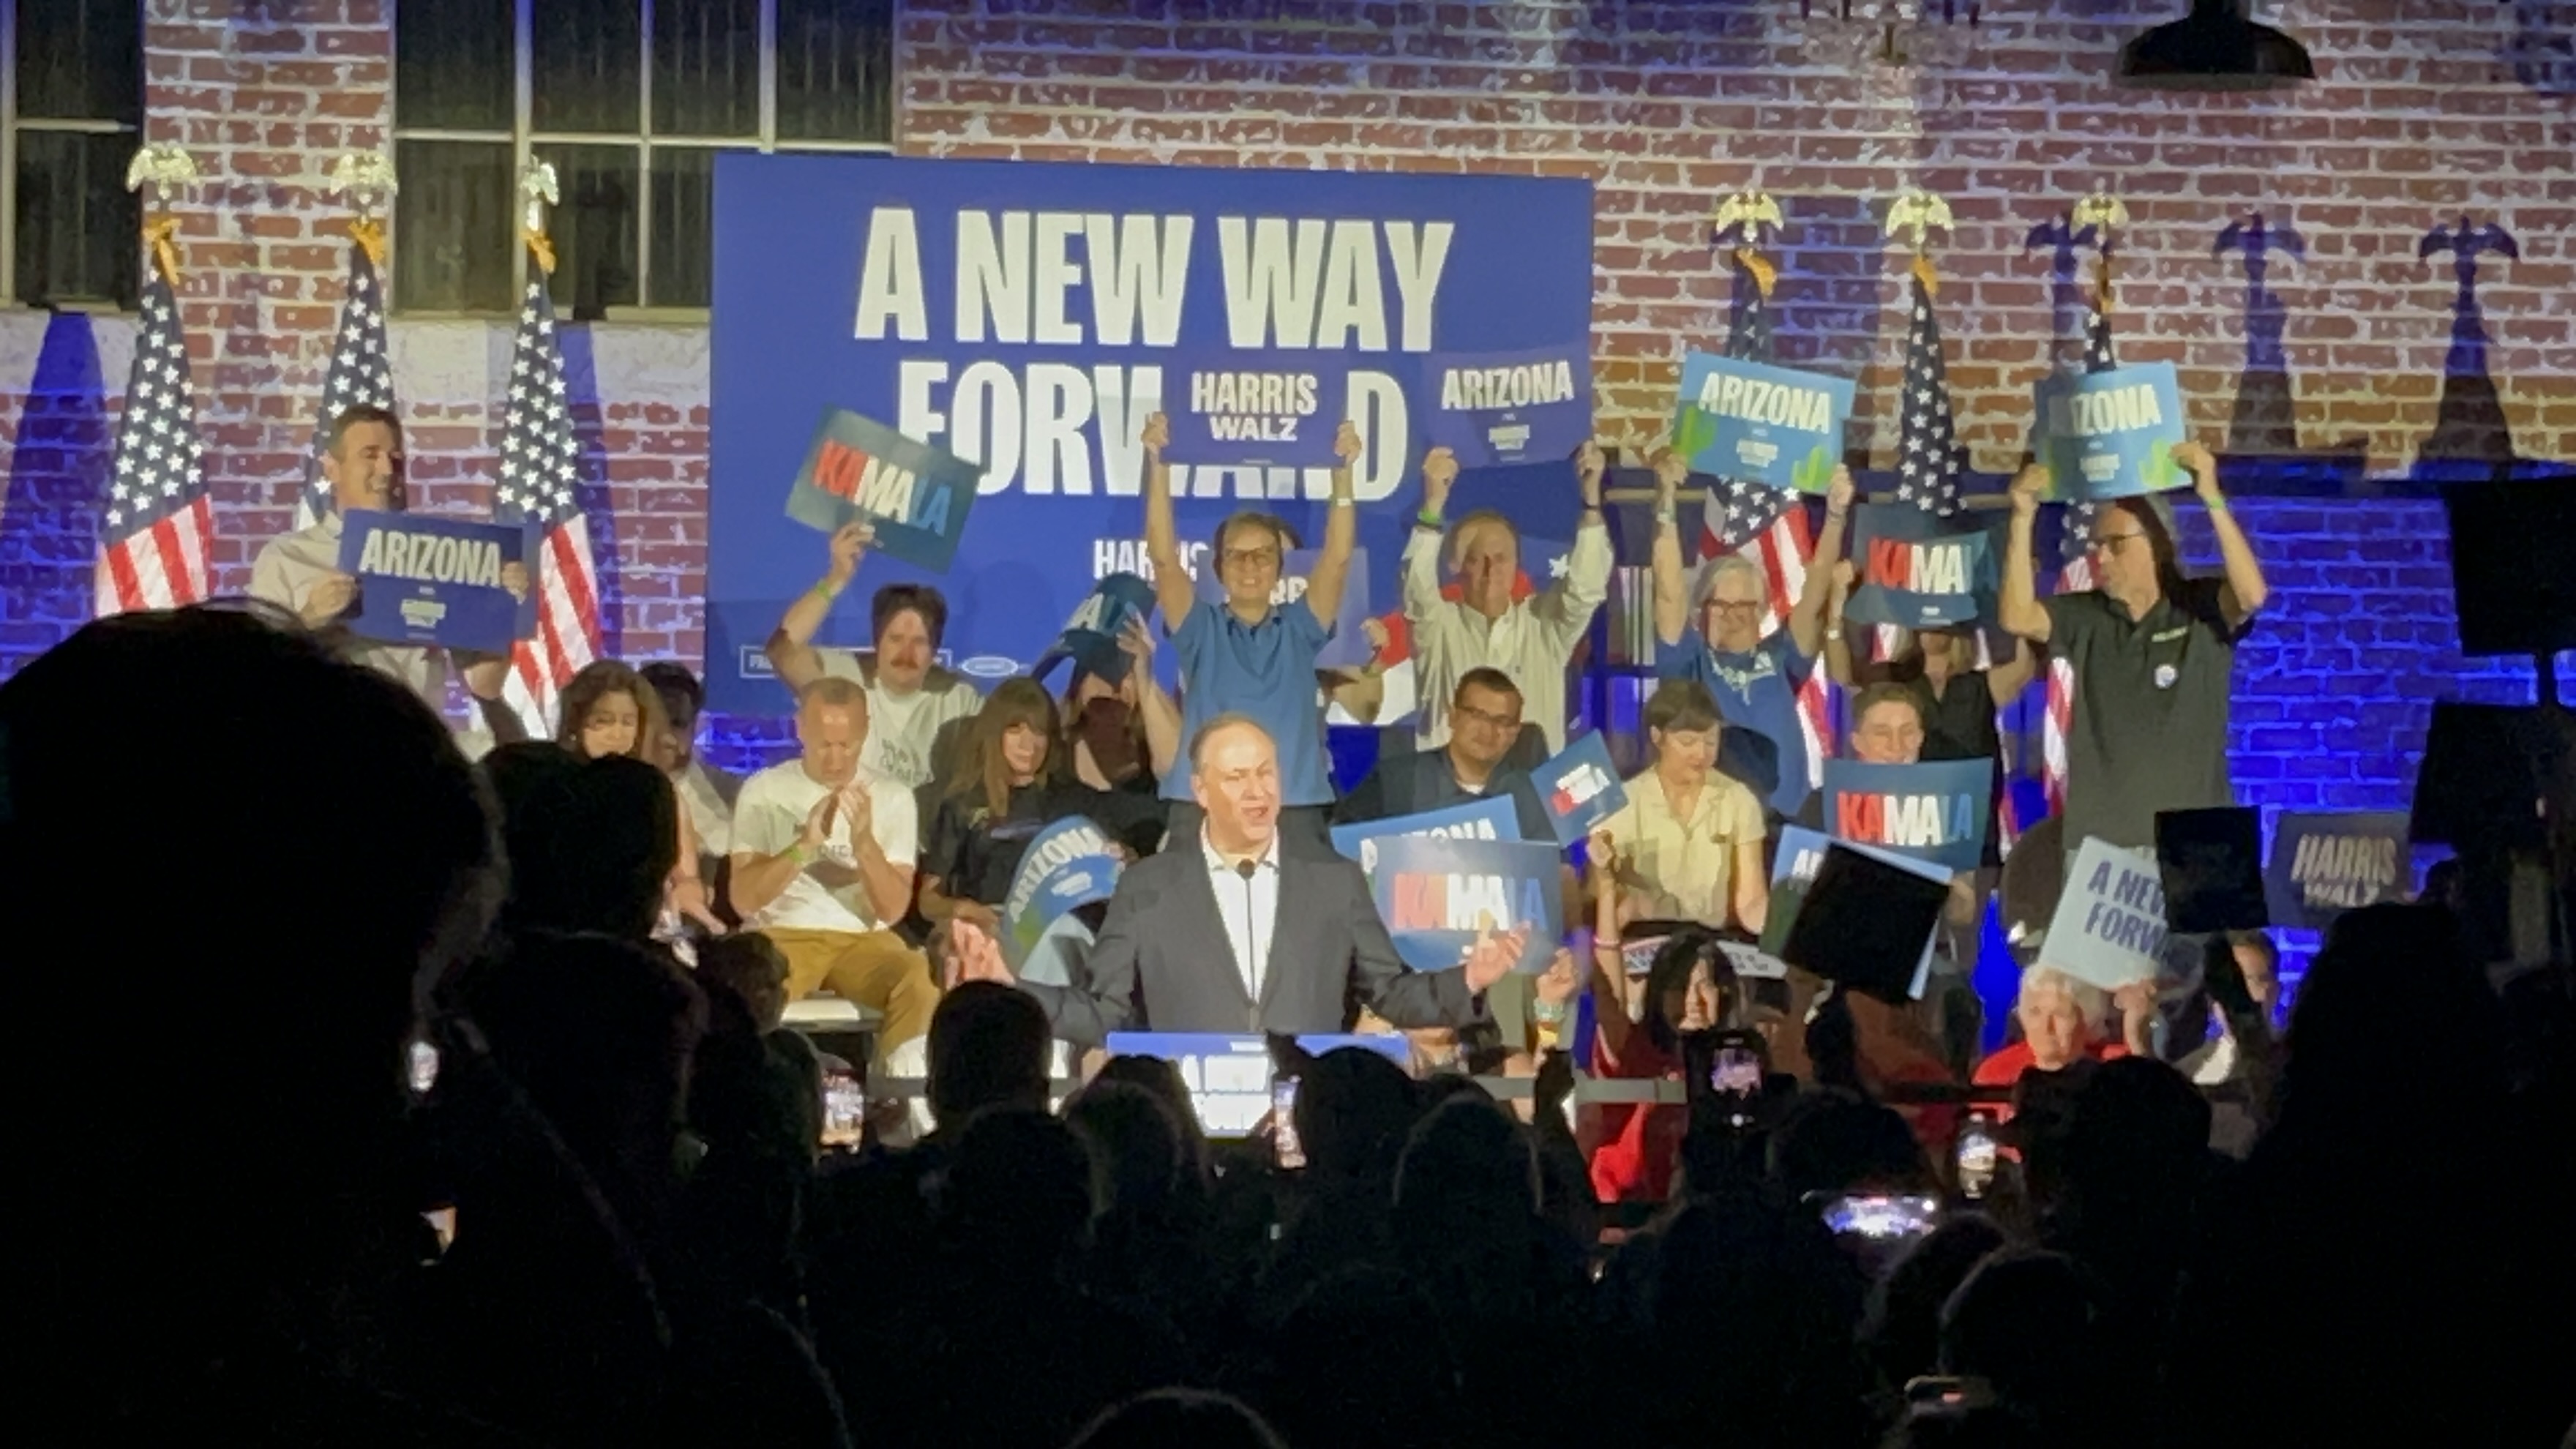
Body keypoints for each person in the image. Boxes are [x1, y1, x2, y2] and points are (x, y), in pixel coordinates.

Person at [949, 714, 1525, 1046]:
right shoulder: (1147, 886)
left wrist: (1468, 977)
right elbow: (1104, 1013)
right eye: (1238, 777)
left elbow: (1392, 994)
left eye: (1267, 773)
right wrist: (1013, 988)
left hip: (1302, 1128)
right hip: (1194, 1133)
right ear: (1201, 791)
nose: (1258, 791)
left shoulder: (1335, 880)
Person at [1999, 441, 2267, 853]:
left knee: (2218, 924)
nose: (2101, 557)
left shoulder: (2199, 606)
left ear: (2156, 545)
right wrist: (2021, 517)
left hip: (2203, 837)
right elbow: (2017, 616)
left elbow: (2252, 596)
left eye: (2116, 544)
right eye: (2097, 546)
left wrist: (2211, 496)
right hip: (2105, 842)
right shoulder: (2087, 615)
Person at [1142, 410, 1361, 847]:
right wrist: (1157, 463)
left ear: (1280, 568)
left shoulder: (1300, 628)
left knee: (1303, 918)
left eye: (1262, 554)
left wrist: (1344, 473)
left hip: (1291, 808)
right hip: (1205, 807)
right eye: (1236, 555)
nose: (1249, 565)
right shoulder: (1199, 628)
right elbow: (1164, 558)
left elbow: (1337, 559)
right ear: (1218, 567)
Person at [248, 402, 527, 739]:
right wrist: (308, 619)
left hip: (413, 749)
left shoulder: (440, 556)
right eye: (370, 454)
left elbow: (485, 683)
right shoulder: (286, 557)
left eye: (395, 459)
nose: (385, 469)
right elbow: (257, 674)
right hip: (319, 745)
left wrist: (502, 609)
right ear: (332, 469)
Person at [727, 676, 938, 1083]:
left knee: (917, 978)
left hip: (863, 940)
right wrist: (803, 848)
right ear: (800, 728)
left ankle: (896, 1101)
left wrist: (864, 845)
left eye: (848, 745)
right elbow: (743, 900)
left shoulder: (893, 797)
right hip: (783, 934)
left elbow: (893, 909)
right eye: (825, 744)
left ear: (865, 733)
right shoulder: (765, 790)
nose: (837, 759)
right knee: (744, 983)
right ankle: (751, 1092)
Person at [1647, 447, 1858, 820]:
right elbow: (1667, 589)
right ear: (1702, 607)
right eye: (1721, 604)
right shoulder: (1688, 660)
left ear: (1761, 610)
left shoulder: (1782, 657)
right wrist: (1666, 500)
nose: (1733, 615)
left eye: (1744, 605)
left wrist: (1836, 515)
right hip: (1714, 826)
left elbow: (1816, 590)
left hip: (1788, 822)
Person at [1401, 441, 1614, 752]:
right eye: (1477, 559)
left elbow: (1586, 590)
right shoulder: (1439, 628)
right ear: (1456, 567)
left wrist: (1592, 503)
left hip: (1528, 793)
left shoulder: (1544, 626)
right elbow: (1417, 591)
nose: (1491, 571)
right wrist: (1433, 506)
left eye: (1501, 559)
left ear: (1517, 565)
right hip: (1453, 795)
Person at [1824, 558, 2036, 870]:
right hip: (1908, 827)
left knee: (1971, 914)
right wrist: (1836, 606)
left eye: (1942, 619)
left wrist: (2024, 592)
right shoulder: (1895, 678)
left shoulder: (1978, 684)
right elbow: (1841, 674)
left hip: (1971, 831)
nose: (1932, 628)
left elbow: (2023, 667)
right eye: (1925, 617)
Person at [917, 678, 1167, 932]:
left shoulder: (1076, 800)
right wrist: (966, 911)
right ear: (995, 733)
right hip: (989, 933)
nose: (1028, 745)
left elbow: (1126, 859)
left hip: (1064, 935)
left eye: (1039, 732)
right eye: (1016, 730)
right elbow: (928, 901)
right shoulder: (963, 804)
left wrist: (1127, 859)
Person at [1579, 836, 1745, 1203]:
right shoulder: (1635, 1050)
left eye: (1704, 986)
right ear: (1656, 993)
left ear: (1725, 994)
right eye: (1677, 987)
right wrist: (1606, 889)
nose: (1692, 1001)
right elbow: (1610, 994)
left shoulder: (1741, 1061)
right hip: (1625, 1221)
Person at [765, 521, 983, 790]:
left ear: (935, 650)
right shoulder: (844, 678)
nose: (906, 653)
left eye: (919, 642)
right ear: (876, 641)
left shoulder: (959, 698)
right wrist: (836, 578)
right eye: (895, 639)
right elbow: (783, 649)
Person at [557, 659, 722, 937]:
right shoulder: (555, 784)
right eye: (603, 721)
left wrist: (690, 895)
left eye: (627, 722)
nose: (617, 735)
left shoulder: (659, 790)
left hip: (643, 926)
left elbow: (687, 876)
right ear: (577, 722)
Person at [1595, 677, 1770, 934]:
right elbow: (1601, 899)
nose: (1701, 754)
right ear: (1658, 737)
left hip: (1708, 940)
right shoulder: (1623, 802)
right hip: (1643, 935)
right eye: (1688, 742)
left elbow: (1752, 901)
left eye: (1711, 742)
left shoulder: (1738, 799)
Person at [1332, 667, 1552, 838]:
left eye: (1502, 721)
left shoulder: (1531, 797)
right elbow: (1341, 844)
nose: (1488, 731)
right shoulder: (1398, 780)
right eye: (1477, 715)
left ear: (1515, 732)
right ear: (1453, 717)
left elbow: (1558, 875)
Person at [1972, 967, 2156, 1109]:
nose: (2046, 1027)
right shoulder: (1995, 1073)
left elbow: (2152, 1112)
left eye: (2060, 1014)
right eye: (2035, 1012)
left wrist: (2134, 1036)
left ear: (2088, 1019)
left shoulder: (2116, 1066)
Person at [643, 660, 743, 876]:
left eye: (677, 722)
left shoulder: (733, 793)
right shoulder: (612, 789)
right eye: (657, 722)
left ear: (695, 724)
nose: (666, 735)